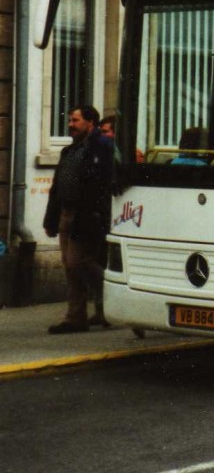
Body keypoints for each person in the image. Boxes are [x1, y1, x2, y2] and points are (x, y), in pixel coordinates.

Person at [43, 104, 114, 334]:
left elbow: (107, 180)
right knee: (70, 266)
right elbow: (57, 186)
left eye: (76, 120)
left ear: (90, 123)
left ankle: (111, 294)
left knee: (77, 261)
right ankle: (76, 317)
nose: (70, 125)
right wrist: (51, 218)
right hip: (66, 213)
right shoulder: (70, 151)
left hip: (86, 215)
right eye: (70, 120)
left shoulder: (101, 146)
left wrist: (96, 213)